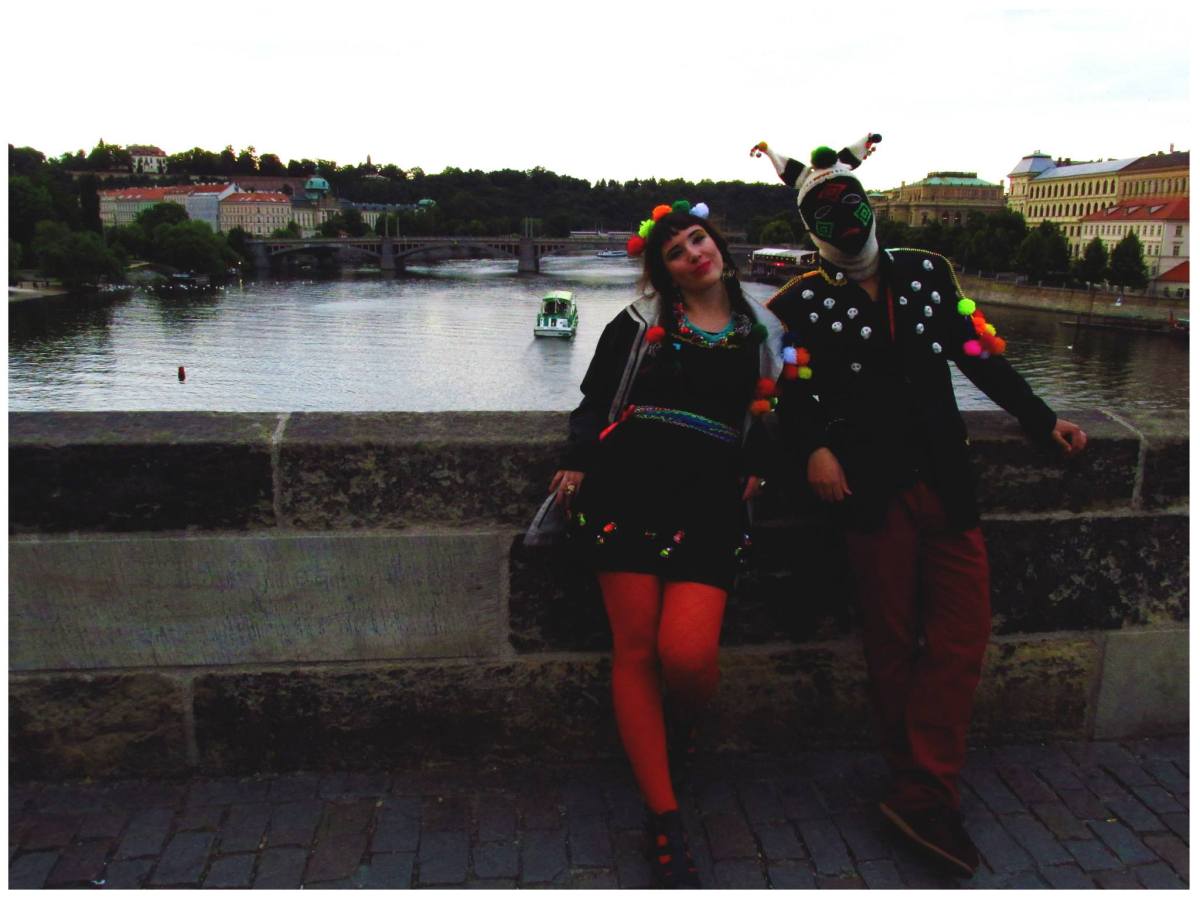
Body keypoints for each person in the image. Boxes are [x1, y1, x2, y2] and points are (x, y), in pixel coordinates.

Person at [751, 134, 1087, 877]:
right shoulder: (798, 301)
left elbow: (978, 353)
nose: (844, 217)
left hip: (945, 479)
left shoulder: (928, 273)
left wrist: (1040, 419)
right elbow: (789, 390)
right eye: (825, 210)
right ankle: (924, 787)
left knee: (963, 635)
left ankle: (922, 785)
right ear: (811, 225)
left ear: (868, 204)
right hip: (869, 490)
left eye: (850, 202)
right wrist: (813, 447)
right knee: (892, 640)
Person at [542, 201, 784, 888]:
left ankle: (677, 730)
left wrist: (761, 458)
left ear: (719, 245)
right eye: (676, 251)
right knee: (636, 649)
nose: (693, 254)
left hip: (710, 500)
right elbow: (596, 401)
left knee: (687, 655)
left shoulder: (762, 328)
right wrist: (579, 459)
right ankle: (663, 811)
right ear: (665, 270)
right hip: (628, 489)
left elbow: (776, 405)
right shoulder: (637, 323)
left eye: (698, 240)